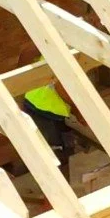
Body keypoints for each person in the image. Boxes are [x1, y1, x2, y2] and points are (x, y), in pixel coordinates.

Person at [20, 47, 76, 181]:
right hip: (50, 113)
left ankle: (54, 196)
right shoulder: (68, 51)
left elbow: (25, 53)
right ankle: (58, 197)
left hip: (32, 101)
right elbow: (61, 88)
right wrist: (79, 112)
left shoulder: (48, 44)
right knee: (57, 156)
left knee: (45, 153)